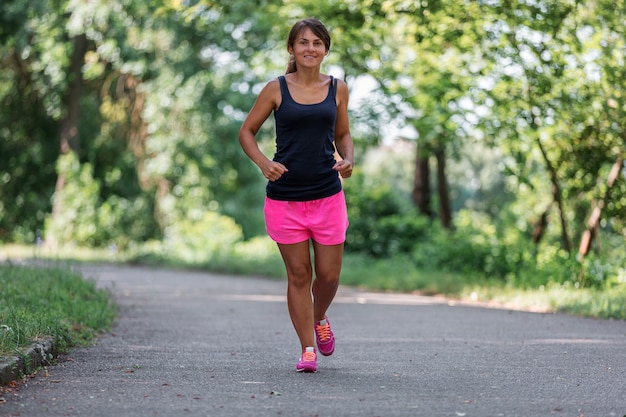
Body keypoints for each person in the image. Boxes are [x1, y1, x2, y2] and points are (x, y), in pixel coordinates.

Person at [239, 17, 354, 373]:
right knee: (299, 275)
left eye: (317, 43)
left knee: (329, 276)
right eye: (303, 42)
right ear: (292, 49)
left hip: (327, 195)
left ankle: (320, 316)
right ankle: (307, 348)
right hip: (285, 198)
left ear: (325, 50)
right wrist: (263, 163)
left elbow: (344, 133)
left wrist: (348, 158)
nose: (310, 48)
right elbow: (247, 132)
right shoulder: (276, 89)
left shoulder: (338, 88)